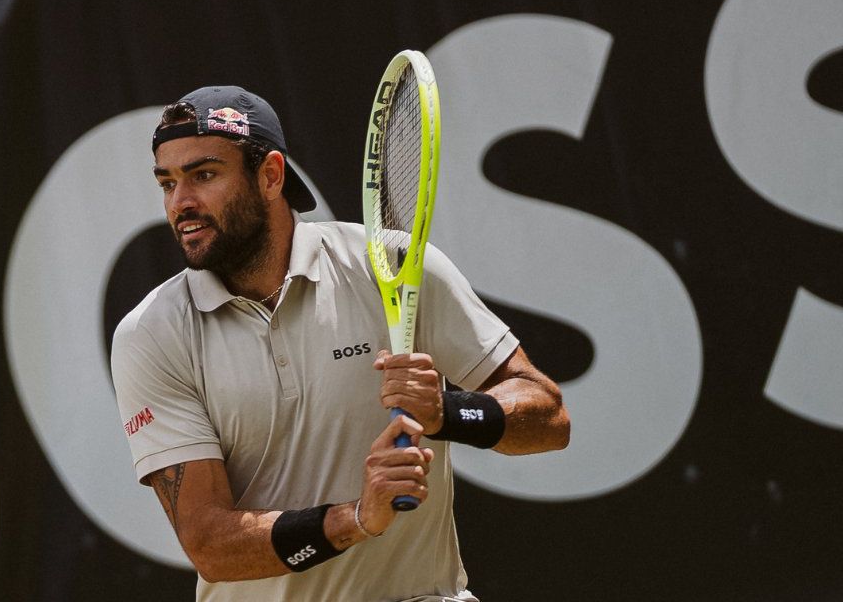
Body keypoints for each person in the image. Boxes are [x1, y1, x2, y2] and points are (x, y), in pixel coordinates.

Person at [111, 85, 570, 601]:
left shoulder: (394, 266)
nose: (181, 202)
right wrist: (356, 518)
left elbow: (549, 421)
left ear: (270, 175)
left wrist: (446, 410)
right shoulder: (151, 332)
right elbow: (210, 544)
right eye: (167, 183)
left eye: (204, 175)